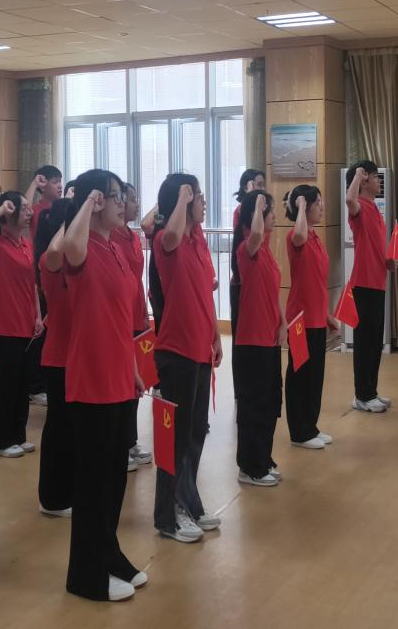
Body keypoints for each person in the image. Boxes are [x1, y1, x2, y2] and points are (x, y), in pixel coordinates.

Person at [59, 169, 145, 602]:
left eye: (119, 196)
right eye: (112, 197)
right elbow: (68, 249)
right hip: (91, 379)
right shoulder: (82, 247)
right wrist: (86, 205)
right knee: (93, 485)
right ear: (94, 202)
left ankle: (108, 553)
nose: (121, 203)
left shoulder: (115, 247)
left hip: (119, 375)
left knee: (114, 480)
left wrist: (133, 368)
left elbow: (122, 318)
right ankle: (85, 575)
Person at [152, 173, 222, 544]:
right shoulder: (167, 239)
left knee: (196, 433)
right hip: (176, 352)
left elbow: (205, 293)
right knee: (175, 439)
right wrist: (181, 198)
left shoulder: (198, 239)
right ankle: (168, 515)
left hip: (199, 348)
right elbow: (170, 236)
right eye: (198, 195)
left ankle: (189, 501)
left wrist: (215, 336)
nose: (203, 201)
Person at [0, 191, 41, 458]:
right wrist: (2, 209)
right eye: (23, 208)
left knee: (22, 385)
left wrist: (38, 316)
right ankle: (3, 441)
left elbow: (32, 285)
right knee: (6, 387)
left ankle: (19, 435)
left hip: (27, 325)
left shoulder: (26, 244)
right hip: (5, 328)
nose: (29, 212)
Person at [232, 191, 284, 487]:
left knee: (269, 402)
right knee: (253, 405)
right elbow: (253, 236)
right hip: (252, 340)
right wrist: (257, 203)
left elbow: (273, 292)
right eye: (269, 211)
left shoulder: (266, 251)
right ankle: (250, 466)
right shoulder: (246, 249)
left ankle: (263, 459)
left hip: (270, 338)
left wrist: (282, 322)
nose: (274, 215)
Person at [283, 185, 340, 449]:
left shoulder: (316, 237)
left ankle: (310, 427)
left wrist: (327, 314)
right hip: (299, 320)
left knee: (315, 376)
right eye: (317, 203)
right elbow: (299, 235)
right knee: (300, 376)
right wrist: (301, 206)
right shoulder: (295, 236)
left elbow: (316, 282)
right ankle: (299, 432)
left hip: (316, 318)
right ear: (303, 206)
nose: (322, 207)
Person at [344, 161, 395, 413]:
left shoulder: (374, 208)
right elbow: (349, 200)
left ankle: (370, 392)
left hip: (377, 282)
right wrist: (356, 174)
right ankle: (362, 396)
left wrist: (387, 260)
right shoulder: (359, 207)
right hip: (363, 285)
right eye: (375, 176)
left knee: (375, 343)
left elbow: (375, 245)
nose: (379, 181)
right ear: (364, 181)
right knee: (365, 344)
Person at [34, 199, 74, 517]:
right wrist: (68, 225)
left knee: (73, 430)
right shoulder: (50, 262)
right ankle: (52, 498)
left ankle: (69, 488)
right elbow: (54, 251)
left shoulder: (76, 261)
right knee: (60, 429)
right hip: (59, 358)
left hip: (79, 356)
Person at [113, 182, 151, 472]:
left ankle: (130, 440)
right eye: (132, 199)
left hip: (138, 314)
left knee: (135, 384)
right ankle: (119, 444)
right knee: (122, 381)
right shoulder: (112, 235)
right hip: (121, 316)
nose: (137, 205)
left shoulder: (133, 235)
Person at [25, 166, 61, 405]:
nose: (60, 185)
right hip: (42, 277)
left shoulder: (62, 209)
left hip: (59, 278)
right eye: (54, 181)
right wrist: (33, 185)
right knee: (41, 334)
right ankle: (36, 386)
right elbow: (23, 210)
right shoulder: (37, 211)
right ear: (43, 184)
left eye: (60, 181)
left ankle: (47, 382)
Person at [228, 169, 265, 336]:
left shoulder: (262, 213)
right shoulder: (241, 211)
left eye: (264, 185)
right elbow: (251, 234)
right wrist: (251, 195)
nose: (262, 189)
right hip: (244, 277)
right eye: (259, 185)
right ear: (246, 187)